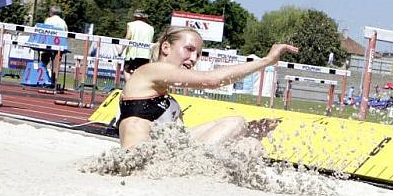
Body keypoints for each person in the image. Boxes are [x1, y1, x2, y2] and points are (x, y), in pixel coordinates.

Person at [117, 25, 297, 149]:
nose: (194, 59)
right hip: (138, 160)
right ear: (166, 47)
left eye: (198, 54)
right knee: (236, 121)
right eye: (189, 49)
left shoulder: (170, 102)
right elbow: (212, 81)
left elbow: (182, 140)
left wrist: (252, 130)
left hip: (161, 159)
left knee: (250, 145)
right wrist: (266, 61)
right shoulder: (148, 71)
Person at [119, 9, 154, 80]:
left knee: (127, 70)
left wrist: (121, 51)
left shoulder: (131, 25)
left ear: (135, 17)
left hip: (133, 54)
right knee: (141, 74)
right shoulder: (151, 28)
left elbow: (128, 37)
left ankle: (130, 87)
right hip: (146, 55)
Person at [40, 6, 68, 83]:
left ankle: (44, 79)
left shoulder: (48, 20)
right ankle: (54, 81)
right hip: (59, 46)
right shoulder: (63, 22)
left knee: (44, 60)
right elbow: (66, 34)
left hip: (48, 45)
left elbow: (44, 32)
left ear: (51, 12)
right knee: (56, 63)